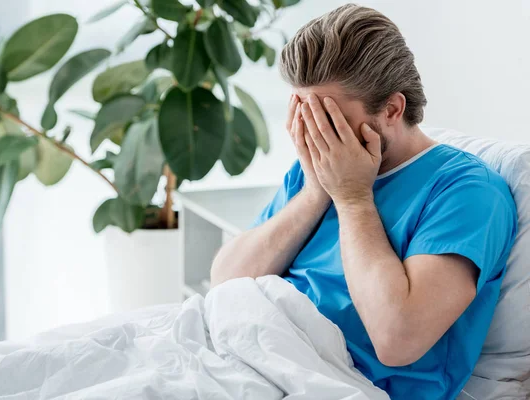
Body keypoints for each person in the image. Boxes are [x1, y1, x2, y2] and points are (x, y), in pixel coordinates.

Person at [209, 4, 518, 400]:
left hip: (337, 381)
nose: (315, 134)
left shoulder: (467, 192)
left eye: (329, 118)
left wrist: (352, 198)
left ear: (391, 109)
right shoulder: (318, 170)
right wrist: (316, 192)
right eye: (305, 113)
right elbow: (225, 282)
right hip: (247, 350)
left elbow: (398, 340)